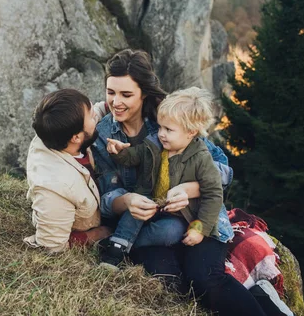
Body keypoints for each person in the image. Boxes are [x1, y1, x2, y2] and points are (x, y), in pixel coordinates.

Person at [91, 49, 268, 316]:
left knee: (205, 278)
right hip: (147, 223)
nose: (116, 102)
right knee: (170, 280)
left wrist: (191, 188)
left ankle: (265, 306)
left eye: (126, 95)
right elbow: (106, 195)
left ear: (144, 94)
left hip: (198, 215)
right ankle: (255, 296)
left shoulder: (168, 119)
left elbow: (223, 169)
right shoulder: (104, 133)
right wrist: (126, 201)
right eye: (110, 92)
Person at [100, 87, 228, 270]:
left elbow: (213, 194)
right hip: (150, 201)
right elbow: (135, 156)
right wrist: (121, 152)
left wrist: (199, 229)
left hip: (177, 214)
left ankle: (131, 245)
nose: (161, 133)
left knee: (171, 232)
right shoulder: (155, 143)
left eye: (168, 129)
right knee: (134, 211)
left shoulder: (201, 158)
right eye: (160, 127)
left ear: (191, 132)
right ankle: (114, 250)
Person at [23, 88, 111, 252]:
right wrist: (95, 235)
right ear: (76, 137)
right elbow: (51, 245)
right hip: (92, 220)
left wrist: (113, 103)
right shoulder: (54, 187)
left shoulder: (59, 132)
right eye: (91, 117)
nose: (95, 116)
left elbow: (95, 112)